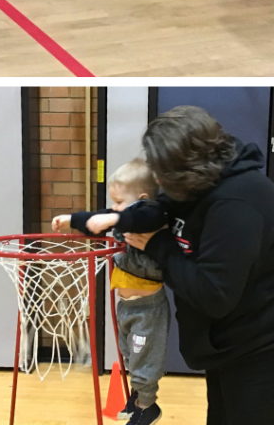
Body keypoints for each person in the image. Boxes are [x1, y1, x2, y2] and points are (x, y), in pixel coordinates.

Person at [124, 105, 274, 425]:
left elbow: (214, 295)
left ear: (184, 168)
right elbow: (160, 208)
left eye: (164, 173)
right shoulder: (200, 185)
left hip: (259, 351)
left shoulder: (236, 203)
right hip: (229, 347)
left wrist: (157, 244)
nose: (160, 181)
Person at [53, 159, 169, 425]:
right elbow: (97, 218)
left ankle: (148, 406)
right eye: (113, 203)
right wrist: (73, 219)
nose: (114, 207)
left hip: (148, 308)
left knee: (145, 360)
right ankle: (138, 397)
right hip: (126, 306)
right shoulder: (120, 217)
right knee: (130, 356)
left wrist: (116, 216)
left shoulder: (152, 215)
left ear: (141, 199)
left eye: (119, 202)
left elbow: (142, 215)